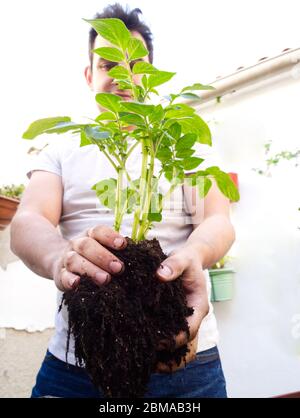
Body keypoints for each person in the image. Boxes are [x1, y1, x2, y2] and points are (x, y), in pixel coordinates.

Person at [11, 3, 235, 398]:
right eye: (108, 65)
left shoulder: (178, 139)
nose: (123, 76)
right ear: (88, 75)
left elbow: (217, 221)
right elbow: (28, 222)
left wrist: (196, 254)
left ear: (149, 75)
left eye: (135, 64)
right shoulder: (61, 148)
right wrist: (59, 257)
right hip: (76, 363)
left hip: (185, 355)